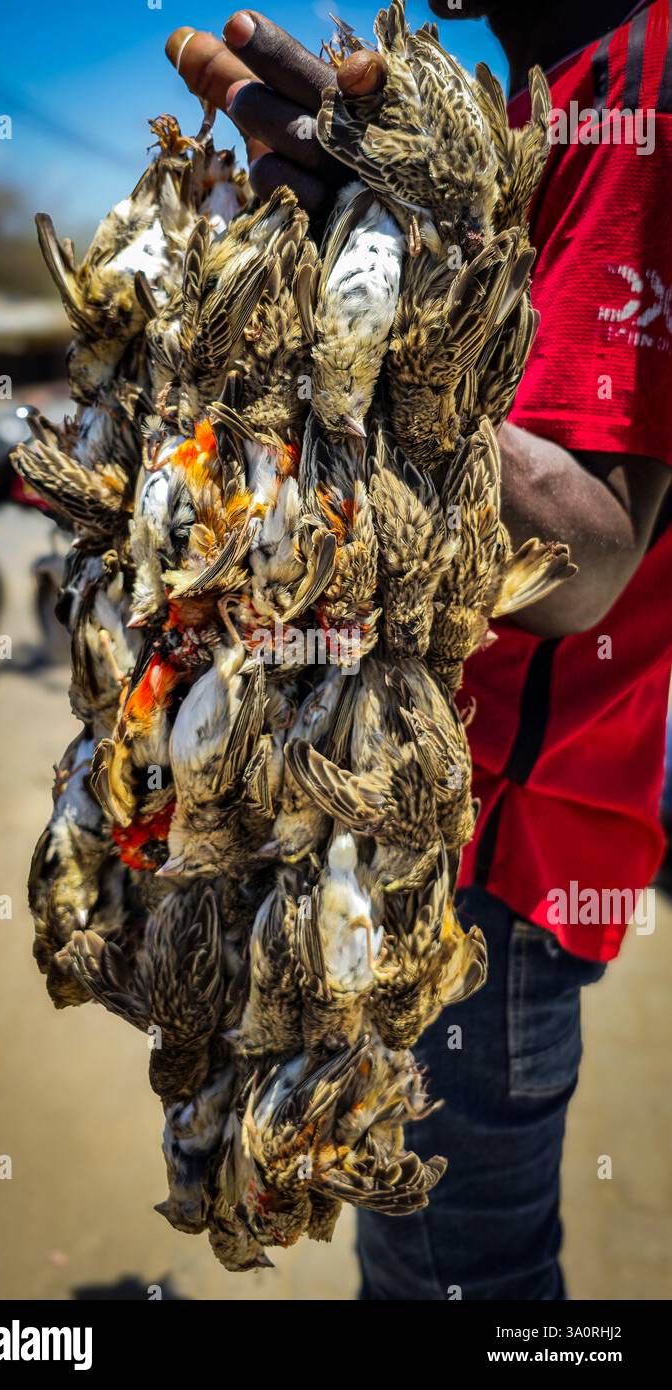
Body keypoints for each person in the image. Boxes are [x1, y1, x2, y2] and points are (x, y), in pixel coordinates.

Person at [166, 1, 672, 1298]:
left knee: (458, 1285)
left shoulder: (651, 75)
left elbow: (587, 558)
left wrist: (390, 283)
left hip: (480, 864)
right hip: (389, 822)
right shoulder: (525, 108)